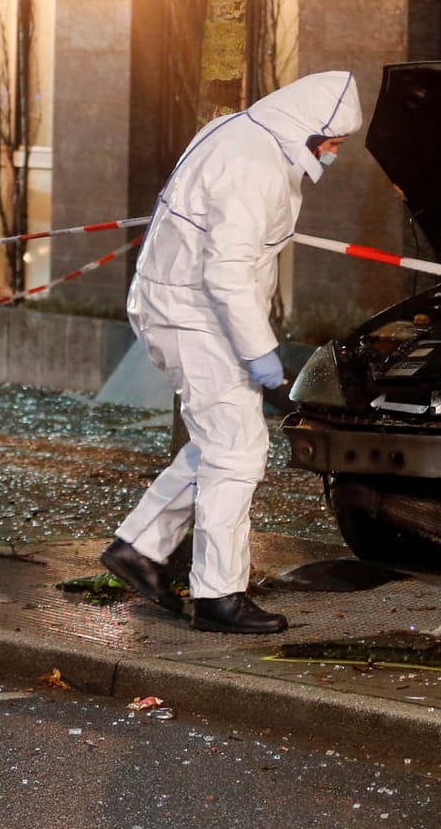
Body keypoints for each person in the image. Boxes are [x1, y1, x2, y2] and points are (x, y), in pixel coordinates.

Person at [101, 71, 363, 634]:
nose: (336, 152)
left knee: (218, 443)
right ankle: (218, 597)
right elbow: (226, 274)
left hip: (181, 307)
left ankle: (141, 547)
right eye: (335, 141)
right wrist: (262, 357)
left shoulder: (241, 136)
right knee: (239, 451)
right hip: (196, 316)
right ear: (309, 129)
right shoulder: (255, 167)